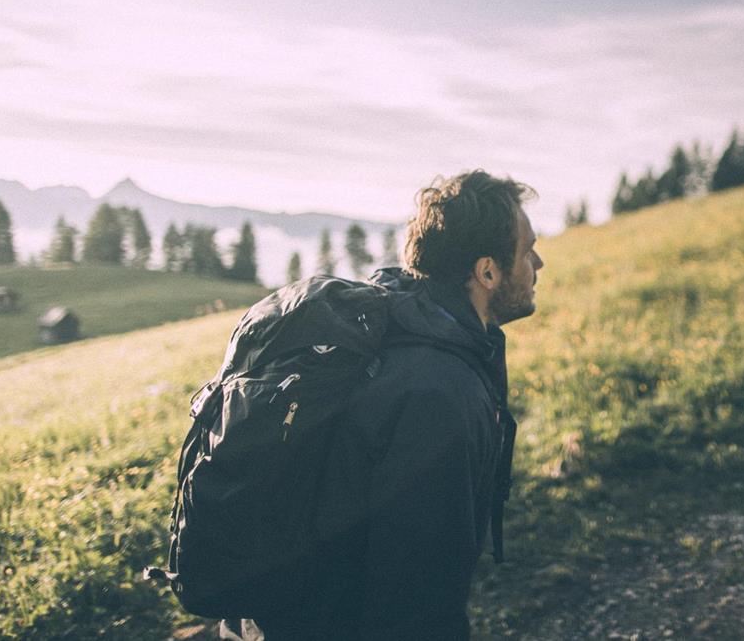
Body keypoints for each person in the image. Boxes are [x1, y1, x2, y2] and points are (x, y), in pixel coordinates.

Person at [221, 169, 543, 640]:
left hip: (263, 620)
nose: (539, 262)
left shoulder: (391, 326)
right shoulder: (439, 393)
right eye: (527, 248)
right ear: (487, 271)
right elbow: (418, 595)